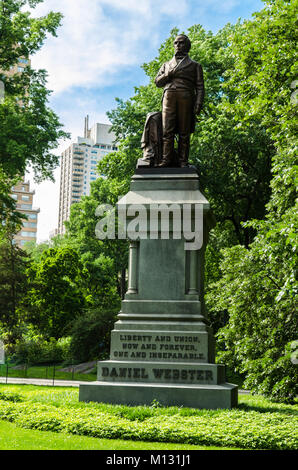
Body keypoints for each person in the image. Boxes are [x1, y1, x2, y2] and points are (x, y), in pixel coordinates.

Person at [155, 34, 204, 168]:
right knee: (167, 130)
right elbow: (157, 82)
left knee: (184, 131)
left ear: (187, 46)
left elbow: (200, 86)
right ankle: (166, 160)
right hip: (169, 96)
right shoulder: (166, 65)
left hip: (186, 97)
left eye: (181, 43)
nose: (178, 45)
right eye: (176, 43)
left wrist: (198, 103)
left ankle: (183, 161)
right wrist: (166, 75)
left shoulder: (195, 65)